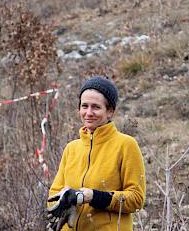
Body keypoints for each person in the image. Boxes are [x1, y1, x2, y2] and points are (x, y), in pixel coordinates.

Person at [46, 76, 146, 231]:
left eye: (96, 107)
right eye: (84, 106)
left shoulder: (126, 145)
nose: (89, 112)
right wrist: (64, 202)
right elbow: (54, 193)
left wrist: (93, 196)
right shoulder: (71, 148)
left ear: (110, 111)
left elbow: (136, 199)